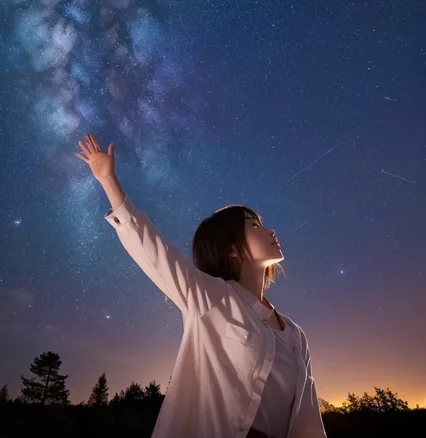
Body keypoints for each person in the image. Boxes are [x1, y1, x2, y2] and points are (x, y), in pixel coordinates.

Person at [76, 133, 327, 438]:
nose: (271, 230)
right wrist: (108, 181)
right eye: (256, 227)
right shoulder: (213, 299)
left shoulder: (296, 335)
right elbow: (156, 254)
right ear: (232, 248)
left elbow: (308, 422)